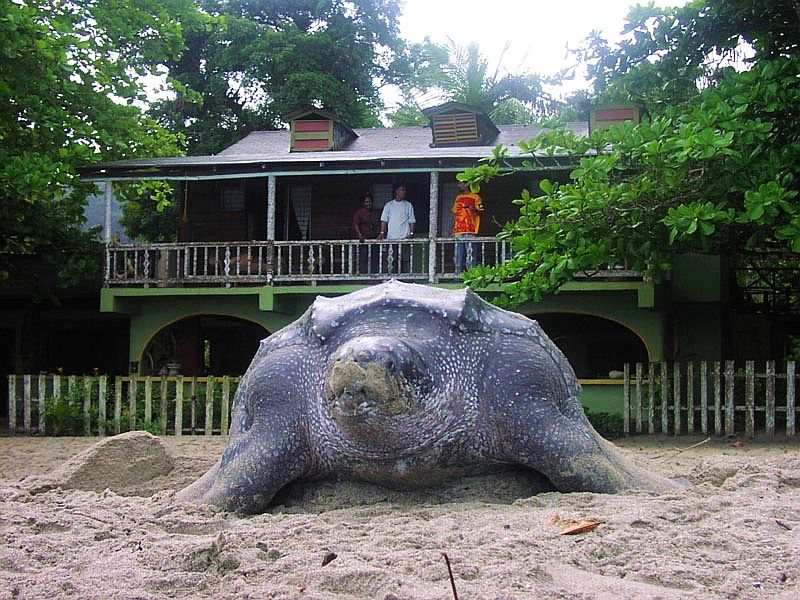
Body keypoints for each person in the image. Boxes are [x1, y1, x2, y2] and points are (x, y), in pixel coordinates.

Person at [379, 184, 416, 273]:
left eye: (404, 190)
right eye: (402, 190)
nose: (404, 192)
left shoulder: (408, 205)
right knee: (392, 260)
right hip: (392, 239)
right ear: (396, 191)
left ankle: (404, 280)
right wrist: (382, 233)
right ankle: (393, 279)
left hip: (404, 238)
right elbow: (384, 220)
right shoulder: (389, 205)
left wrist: (411, 234)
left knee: (405, 260)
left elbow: (412, 221)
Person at [451, 181, 484, 274]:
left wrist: (473, 209)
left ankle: (471, 275)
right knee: (458, 255)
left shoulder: (476, 197)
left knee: (471, 254)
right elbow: (455, 213)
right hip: (458, 230)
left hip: (471, 230)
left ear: (467, 184)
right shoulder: (458, 198)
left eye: (461, 183)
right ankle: (457, 274)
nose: (459, 185)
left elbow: (481, 211)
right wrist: (452, 227)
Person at [352, 192, 379, 274]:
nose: (368, 204)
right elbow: (355, 224)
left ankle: (373, 276)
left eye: (370, 202)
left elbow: (379, 224)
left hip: (374, 240)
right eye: (366, 202)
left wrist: (379, 234)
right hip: (363, 240)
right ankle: (363, 276)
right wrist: (359, 235)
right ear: (363, 203)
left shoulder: (375, 212)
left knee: (374, 258)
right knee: (363, 259)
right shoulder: (359, 213)